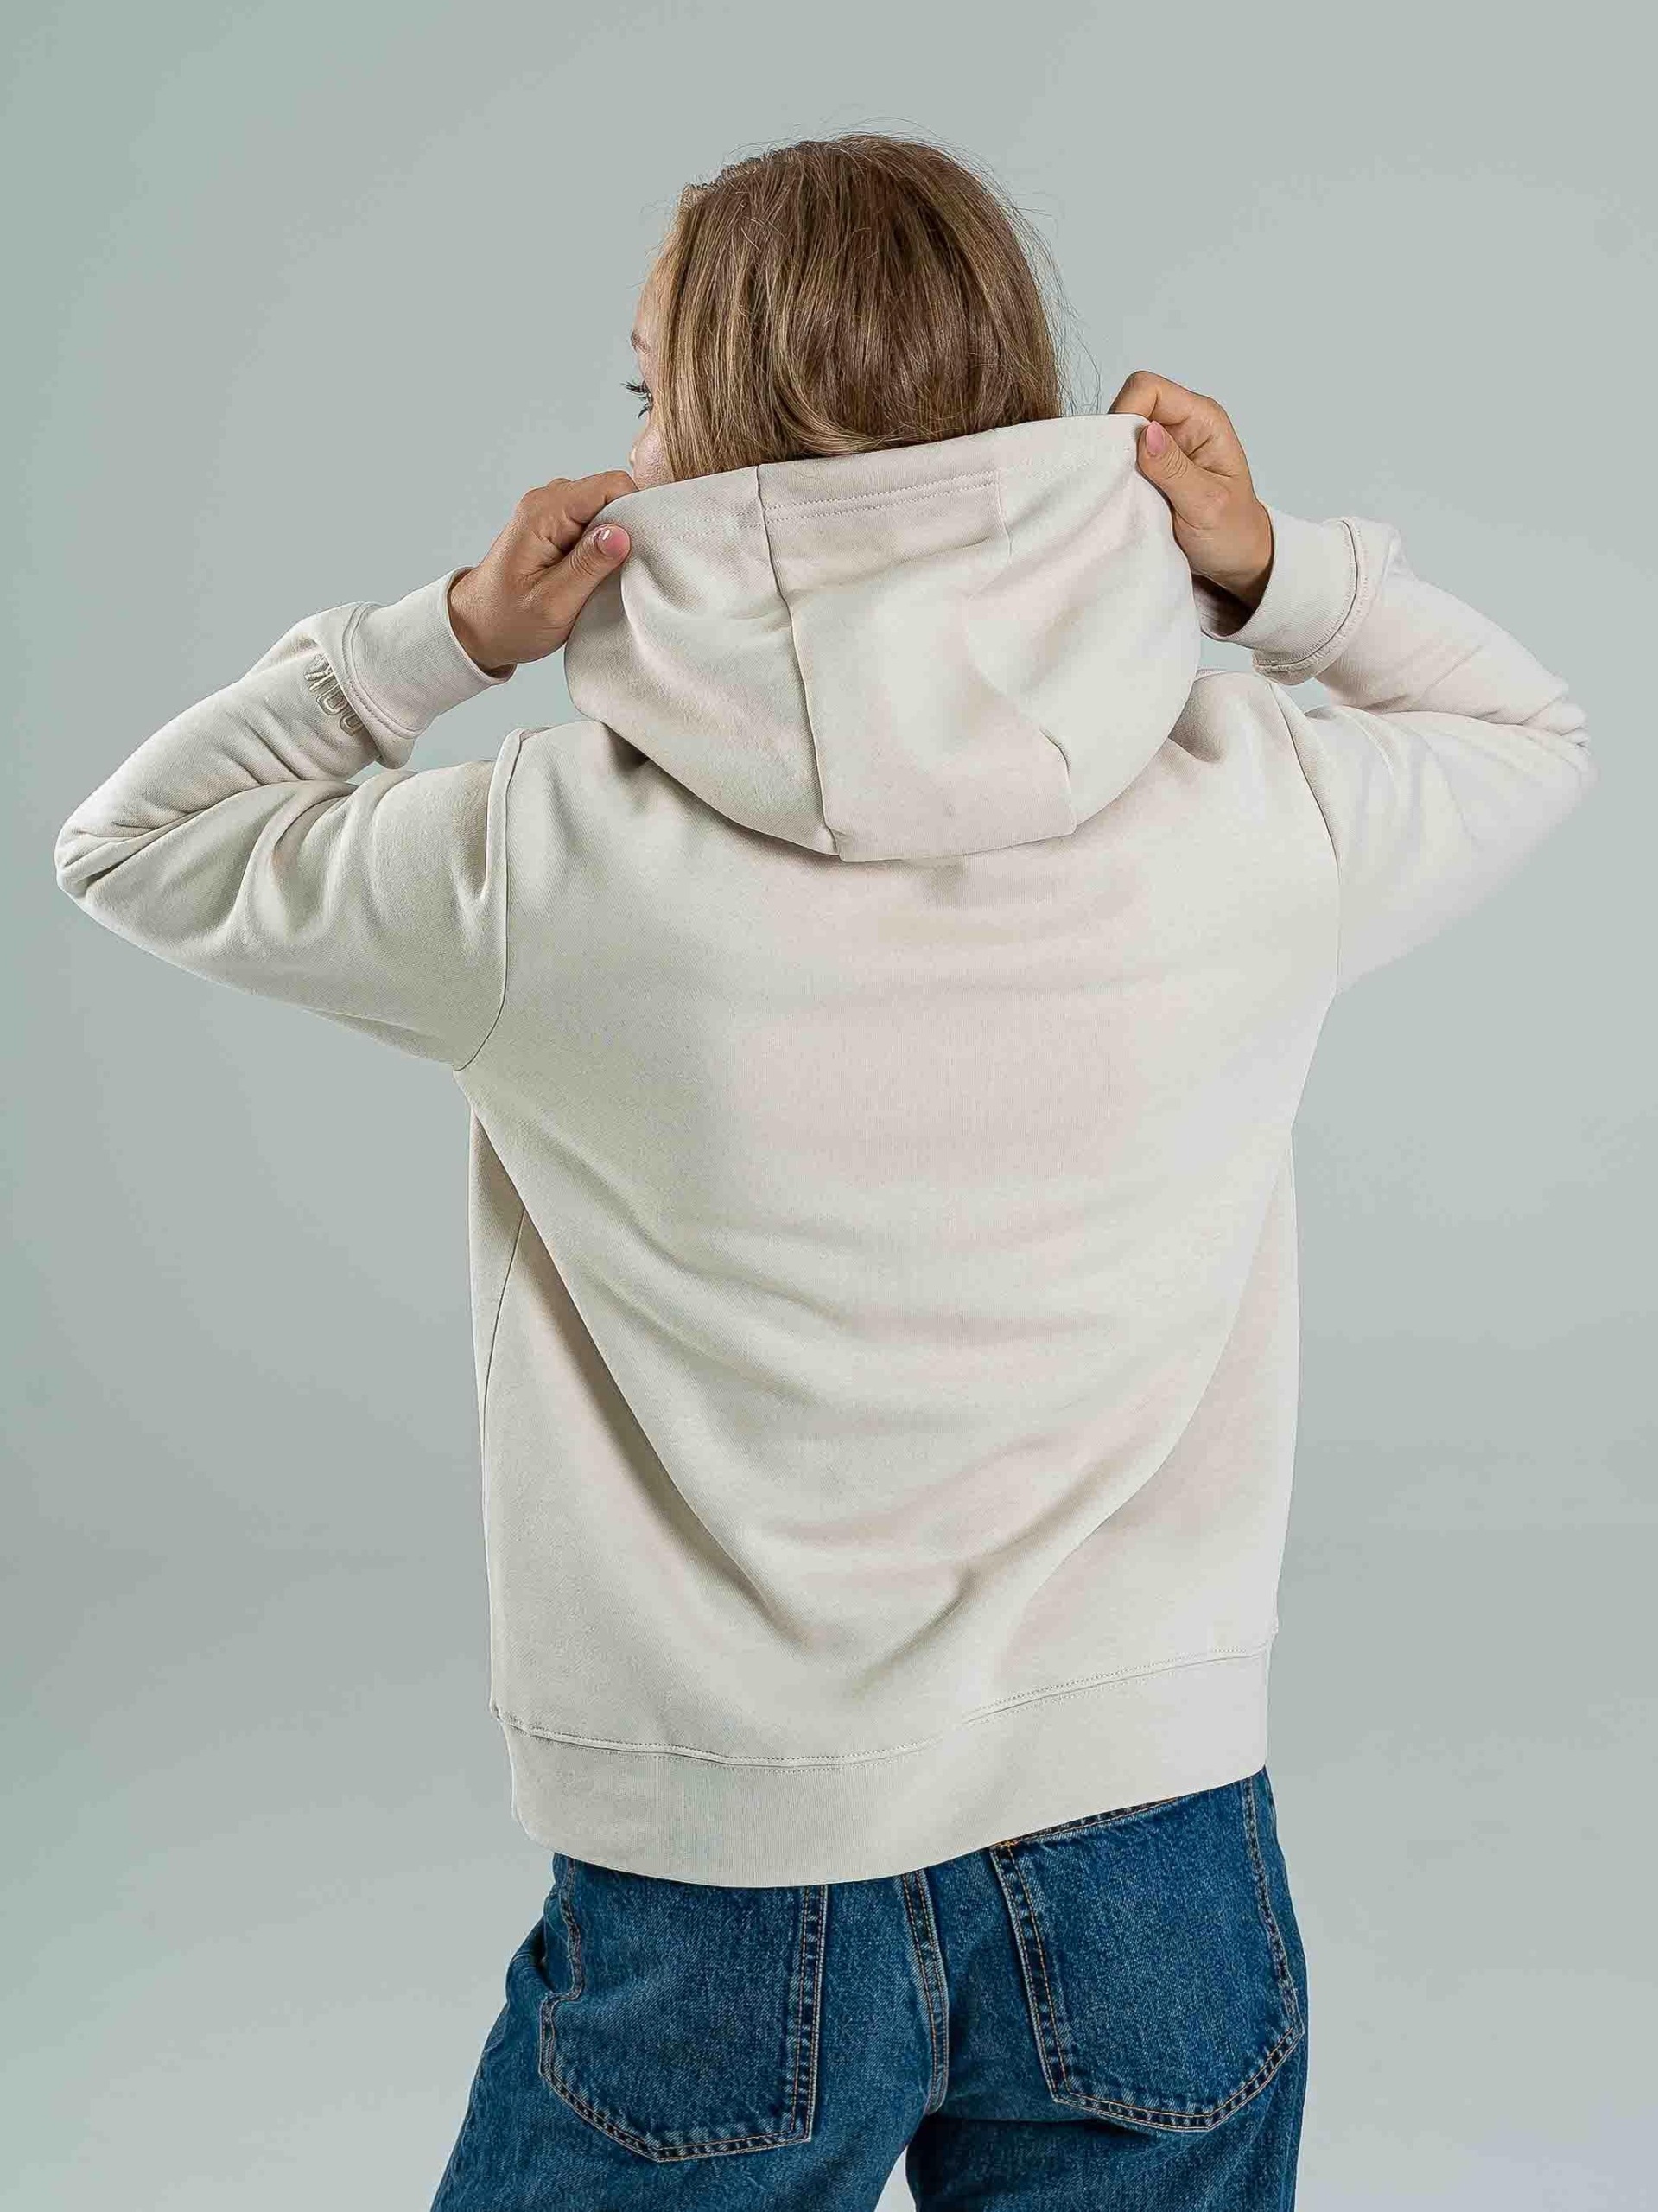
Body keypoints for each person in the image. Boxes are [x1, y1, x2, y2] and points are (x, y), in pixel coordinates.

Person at [54, 130, 1593, 2210]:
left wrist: (447, 637)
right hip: (1152, 1837)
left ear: (701, 424)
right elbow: (1529, 732)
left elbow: (133, 844)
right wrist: (1273, 571)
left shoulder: (550, 863)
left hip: (728, 1863)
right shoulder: (1251, 811)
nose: (632, 440)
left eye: (644, 390)